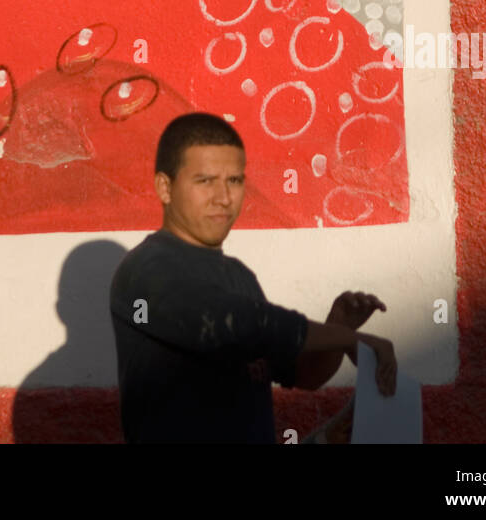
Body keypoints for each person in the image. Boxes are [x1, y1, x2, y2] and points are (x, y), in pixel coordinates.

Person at [109, 112, 397, 444]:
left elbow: (302, 375)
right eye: (205, 181)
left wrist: (341, 327)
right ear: (165, 187)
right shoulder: (145, 270)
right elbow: (227, 322)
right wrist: (342, 339)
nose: (224, 197)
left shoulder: (239, 277)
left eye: (234, 180)